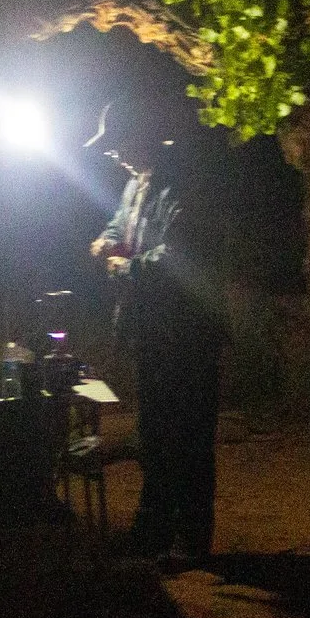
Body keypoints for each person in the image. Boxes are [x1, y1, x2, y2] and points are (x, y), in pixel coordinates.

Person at [88, 94, 227, 569]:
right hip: (151, 332)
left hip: (188, 335)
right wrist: (106, 240)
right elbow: (118, 225)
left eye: (118, 145)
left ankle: (191, 541)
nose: (114, 156)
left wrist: (123, 267)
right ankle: (153, 532)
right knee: (154, 436)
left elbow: (177, 260)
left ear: (142, 135)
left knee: (188, 438)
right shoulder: (137, 184)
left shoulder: (183, 183)